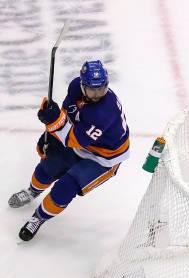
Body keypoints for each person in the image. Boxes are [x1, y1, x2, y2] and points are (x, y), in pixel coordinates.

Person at [8, 60, 129, 241]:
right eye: (92, 89)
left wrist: (55, 123)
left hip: (103, 158)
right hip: (79, 143)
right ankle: (32, 191)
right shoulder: (75, 87)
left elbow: (75, 139)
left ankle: (39, 217)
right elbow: (66, 116)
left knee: (65, 187)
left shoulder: (105, 111)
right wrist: (50, 130)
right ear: (82, 84)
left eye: (101, 89)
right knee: (48, 166)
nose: (97, 94)